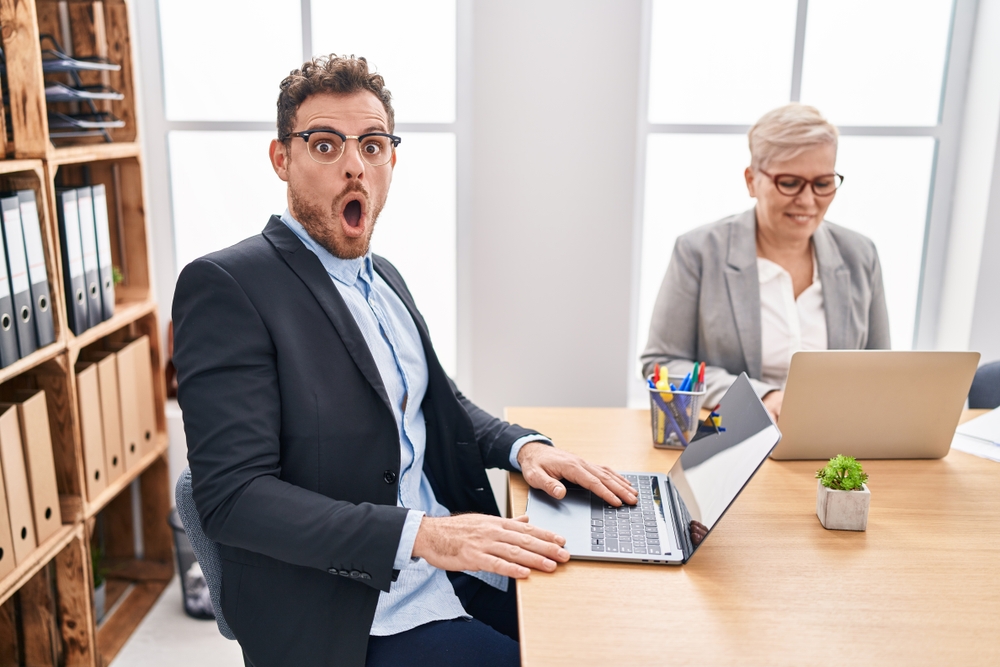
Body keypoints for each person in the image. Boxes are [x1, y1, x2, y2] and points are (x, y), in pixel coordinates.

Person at [172, 55, 636, 667]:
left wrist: (527, 448)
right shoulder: (228, 285)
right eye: (324, 144)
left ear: (392, 158)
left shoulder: (382, 278)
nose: (353, 165)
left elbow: (436, 405)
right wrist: (422, 535)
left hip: (451, 568)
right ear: (282, 159)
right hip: (349, 608)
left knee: (606, 634)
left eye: (371, 144)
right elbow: (234, 497)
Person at [640, 103, 890, 420]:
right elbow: (662, 362)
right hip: (734, 435)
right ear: (751, 181)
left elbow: (882, 370)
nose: (808, 200)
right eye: (789, 183)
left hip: (836, 440)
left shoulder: (860, 254)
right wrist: (765, 397)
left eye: (823, 183)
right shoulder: (699, 251)